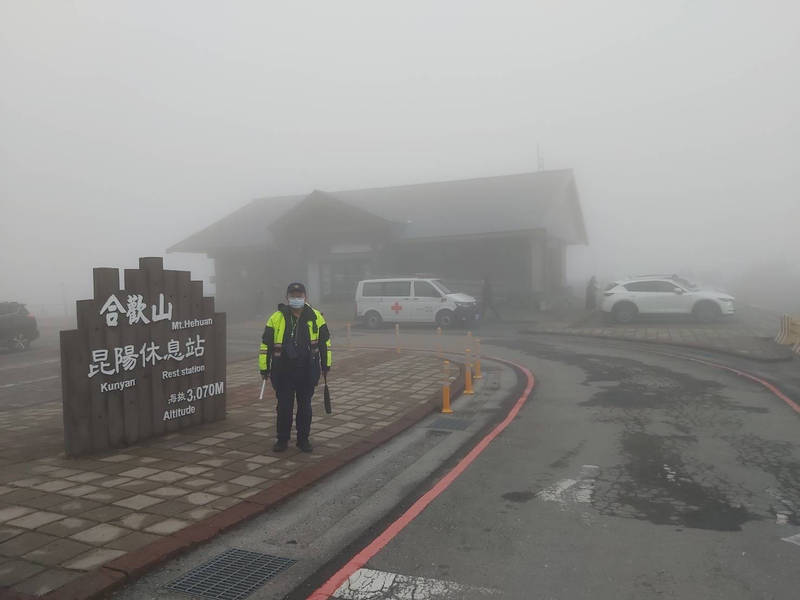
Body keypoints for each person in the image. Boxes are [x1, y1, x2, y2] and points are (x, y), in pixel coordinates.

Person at [259, 282, 331, 453]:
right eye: (293, 296)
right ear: (287, 298)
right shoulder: (276, 317)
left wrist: (326, 364)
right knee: (284, 407)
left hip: (307, 369)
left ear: (305, 297)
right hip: (282, 370)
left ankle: (303, 440)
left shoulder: (316, 317)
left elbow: (325, 343)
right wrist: (264, 368)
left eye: (299, 296)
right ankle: (282, 439)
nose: (296, 299)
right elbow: (265, 345)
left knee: (305, 407)